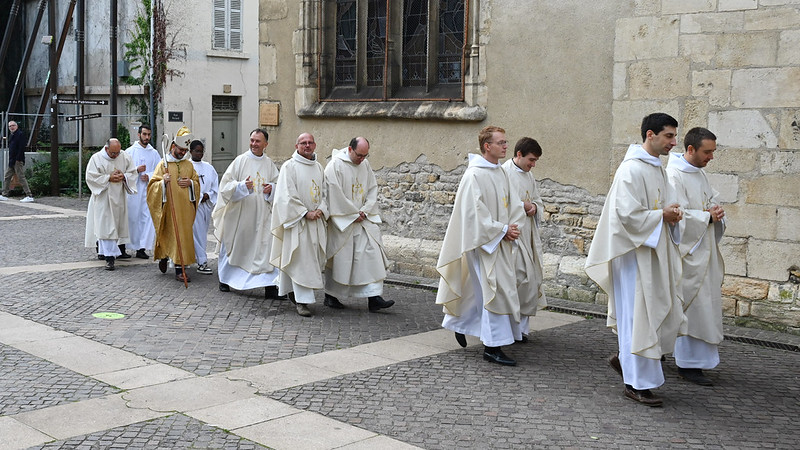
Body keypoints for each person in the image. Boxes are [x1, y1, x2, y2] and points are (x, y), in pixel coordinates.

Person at [584, 112, 687, 407]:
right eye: (668, 136)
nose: (673, 142)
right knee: (637, 319)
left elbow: (663, 206)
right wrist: (661, 216)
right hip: (633, 258)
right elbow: (626, 217)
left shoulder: (658, 169)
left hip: (653, 254)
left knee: (651, 316)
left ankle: (626, 362)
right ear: (650, 135)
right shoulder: (631, 170)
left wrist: (674, 214)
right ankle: (635, 383)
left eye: (674, 136)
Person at [436, 126, 525, 366]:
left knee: (483, 290)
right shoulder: (474, 175)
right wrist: (502, 230)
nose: (506, 146)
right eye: (501, 142)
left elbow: (513, 203)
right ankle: (492, 347)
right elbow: (474, 214)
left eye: (506, 142)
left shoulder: (500, 172)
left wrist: (513, 226)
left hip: (500, 240)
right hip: (484, 243)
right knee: (491, 292)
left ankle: (460, 322)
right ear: (487, 146)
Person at [666, 127, 725, 387]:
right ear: (690, 149)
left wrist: (717, 212)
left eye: (713, 151)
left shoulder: (699, 175)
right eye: (707, 152)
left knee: (705, 308)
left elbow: (707, 203)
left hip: (705, 253)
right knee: (689, 308)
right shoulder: (673, 176)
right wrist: (705, 217)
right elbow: (675, 217)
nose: (711, 157)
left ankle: (695, 361)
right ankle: (687, 363)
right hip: (688, 255)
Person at [323, 137, 393, 313]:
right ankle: (330, 295)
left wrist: (365, 210)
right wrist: (352, 214)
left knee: (372, 254)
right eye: (359, 155)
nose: (362, 159)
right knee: (341, 260)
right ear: (350, 149)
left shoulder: (365, 164)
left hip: (363, 219)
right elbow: (334, 193)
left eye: (365, 155)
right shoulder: (335, 166)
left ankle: (374, 297)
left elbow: (372, 188)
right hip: (344, 222)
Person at [212, 129, 282, 298]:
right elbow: (225, 186)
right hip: (240, 214)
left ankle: (269, 285)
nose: (253, 144)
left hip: (262, 215)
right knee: (236, 246)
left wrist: (271, 189)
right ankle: (226, 279)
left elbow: (277, 184)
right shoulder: (240, 161)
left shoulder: (269, 164)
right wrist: (242, 186)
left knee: (265, 248)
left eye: (258, 141)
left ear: (266, 144)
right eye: (252, 140)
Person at [270, 133, 328, 317]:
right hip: (298, 223)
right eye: (303, 143)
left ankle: (293, 293)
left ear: (315, 145)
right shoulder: (290, 166)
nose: (307, 145)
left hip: (315, 222)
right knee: (299, 261)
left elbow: (325, 192)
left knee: (310, 262)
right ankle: (302, 302)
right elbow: (286, 195)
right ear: (297, 146)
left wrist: (321, 209)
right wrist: (304, 212)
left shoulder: (318, 167)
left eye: (310, 142)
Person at [501, 137, 547, 341]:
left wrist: (534, 208)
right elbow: (501, 205)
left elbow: (537, 200)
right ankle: (508, 328)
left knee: (531, 279)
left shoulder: (529, 175)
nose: (533, 164)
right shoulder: (504, 173)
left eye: (535, 160)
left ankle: (521, 330)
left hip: (528, 235)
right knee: (518, 279)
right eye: (531, 159)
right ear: (518, 154)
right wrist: (522, 207)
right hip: (513, 236)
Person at [147, 126, 200, 283]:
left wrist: (190, 183)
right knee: (168, 234)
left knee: (183, 238)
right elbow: (152, 186)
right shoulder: (163, 164)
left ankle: (179, 266)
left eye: (185, 150)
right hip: (169, 208)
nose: (183, 153)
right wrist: (163, 183)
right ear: (173, 147)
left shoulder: (189, 165)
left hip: (185, 209)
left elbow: (197, 182)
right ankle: (168, 259)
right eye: (181, 150)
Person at [84, 138, 137, 270]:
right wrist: (109, 178)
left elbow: (133, 172)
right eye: (113, 153)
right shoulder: (96, 158)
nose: (116, 156)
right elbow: (90, 177)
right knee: (106, 228)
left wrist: (124, 176)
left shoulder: (124, 156)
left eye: (117, 152)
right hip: (104, 197)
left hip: (119, 197)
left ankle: (109, 253)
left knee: (116, 227)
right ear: (106, 149)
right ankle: (109, 258)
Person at [126, 124, 161, 259]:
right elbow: (123, 171)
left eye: (149, 135)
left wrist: (150, 175)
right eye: (144, 134)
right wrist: (136, 171)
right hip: (133, 191)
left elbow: (160, 170)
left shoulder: (154, 153)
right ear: (139, 135)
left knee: (147, 219)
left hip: (148, 189)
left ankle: (142, 247)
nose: (147, 137)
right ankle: (127, 246)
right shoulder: (130, 152)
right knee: (132, 218)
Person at [189, 140, 219, 275]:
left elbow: (215, 186)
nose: (199, 154)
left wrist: (208, 195)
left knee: (201, 233)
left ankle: (196, 259)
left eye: (201, 151)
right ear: (191, 151)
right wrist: (199, 196)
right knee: (195, 235)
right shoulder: (187, 166)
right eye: (197, 151)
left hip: (205, 206)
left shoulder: (208, 168)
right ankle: (201, 261)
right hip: (191, 205)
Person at [1, 120, 34, 202]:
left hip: (17, 160)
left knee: (21, 177)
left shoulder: (20, 134)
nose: (11, 127)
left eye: (13, 125)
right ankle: (4, 194)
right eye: (10, 126)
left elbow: (21, 148)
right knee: (7, 176)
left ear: (17, 126)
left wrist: (18, 159)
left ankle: (29, 195)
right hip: (12, 160)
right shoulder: (12, 135)